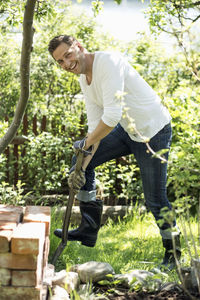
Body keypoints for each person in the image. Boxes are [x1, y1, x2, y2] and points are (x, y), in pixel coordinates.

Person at [48, 35, 181, 268]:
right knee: (81, 158)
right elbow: (94, 126)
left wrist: (86, 146)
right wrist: (82, 164)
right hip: (127, 130)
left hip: (153, 131)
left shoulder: (108, 62)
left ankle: (174, 254)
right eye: (59, 62)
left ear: (78, 46)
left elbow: (110, 117)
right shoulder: (84, 80)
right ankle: (89, 228)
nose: (66, 64)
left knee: (155, 199)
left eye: (67, 55)